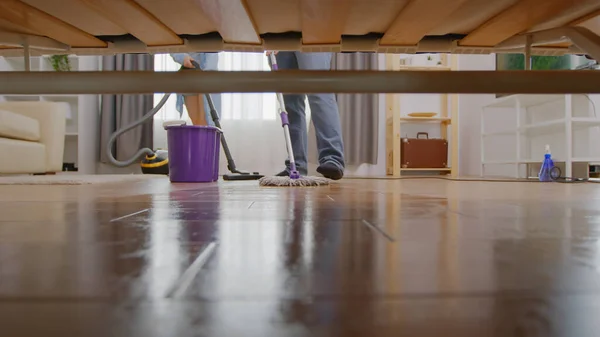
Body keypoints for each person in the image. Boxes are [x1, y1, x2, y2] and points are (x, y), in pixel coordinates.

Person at [267, 51, 345, 180]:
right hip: (279, 38)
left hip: (313, 34)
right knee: (289, 102)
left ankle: (333, 159)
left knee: (318, 91)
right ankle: (295, 164)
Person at [170, 52, 221, 126]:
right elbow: (173, 48)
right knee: (197, 123)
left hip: (206, 76)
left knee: (207, 122)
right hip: (188, 75)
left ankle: (207, 137)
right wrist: (183, 57)